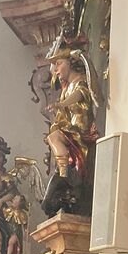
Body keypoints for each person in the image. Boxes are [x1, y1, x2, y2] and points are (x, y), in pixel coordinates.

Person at [41, 48, 100, 217]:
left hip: (81, 130)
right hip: (72, 130)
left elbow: (79, 95)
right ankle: (64, 171)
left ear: (71, 63)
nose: (56, 70)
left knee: (54, 137)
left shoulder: (81, 81)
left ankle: (65, 171)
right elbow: (64, 116)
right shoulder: (66, 89)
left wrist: (61, 104)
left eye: (59, 63)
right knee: (53, 136)